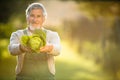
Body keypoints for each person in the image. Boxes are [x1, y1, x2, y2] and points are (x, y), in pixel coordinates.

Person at [8, 2, 61, 80]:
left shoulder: (52, 35)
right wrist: (21, 47)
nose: (35, 19)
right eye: (32, 15)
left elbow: (58, 50)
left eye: (38, 16)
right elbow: (11, 49)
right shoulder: (18, 34)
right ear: (27, 17)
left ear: (44, 18)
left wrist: (49, 47)